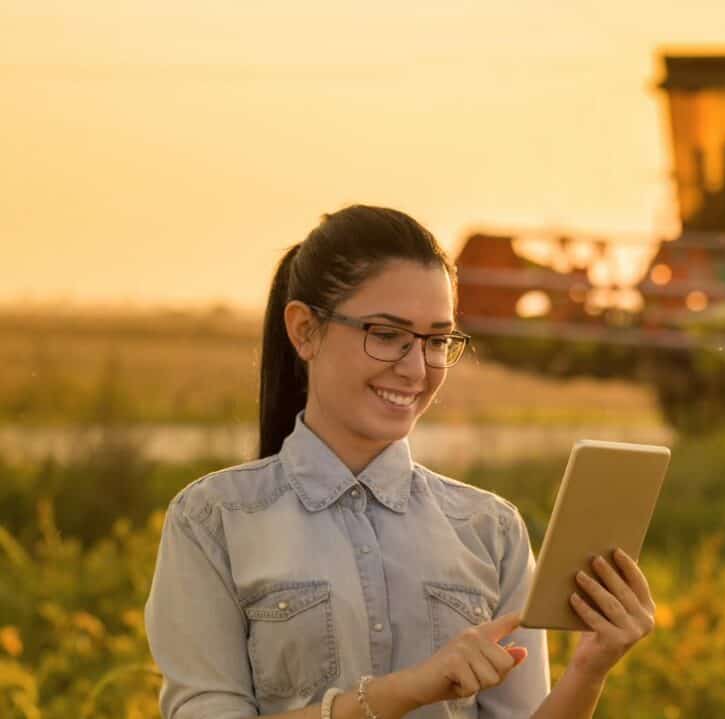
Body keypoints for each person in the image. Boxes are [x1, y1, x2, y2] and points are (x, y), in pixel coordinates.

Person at [144, 205, 657, 719]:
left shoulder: (490, 531)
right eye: (387, 334)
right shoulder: (215, 519)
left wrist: (591, 667)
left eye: (437, 341)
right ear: (304, 330)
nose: (416, 369)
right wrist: (405, 691)